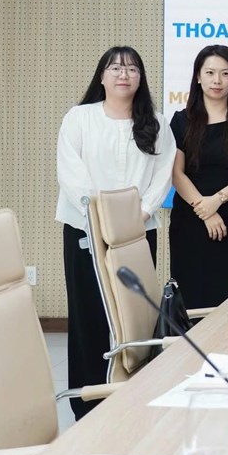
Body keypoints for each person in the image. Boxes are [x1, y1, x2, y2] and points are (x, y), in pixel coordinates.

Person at [56, 46, 174, 419]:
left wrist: (138, 215)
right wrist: (101, 218)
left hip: (137, 233)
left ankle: (132, 395)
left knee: (134, 316)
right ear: (102, 77)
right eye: (116, 68)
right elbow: (71, 172)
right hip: (85, 230)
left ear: (141, 78)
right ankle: (87, 403)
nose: (124, 74)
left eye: (132, 69)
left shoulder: (156, 123)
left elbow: (163, 175)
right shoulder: (80, 118)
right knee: (88, 316)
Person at [169, 45, 228, 309]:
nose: (217, 80)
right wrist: (206, 211)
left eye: (225, 73)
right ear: (198, 77)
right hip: (189, 219)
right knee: (191, 297)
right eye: (210, 72)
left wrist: (217, 200)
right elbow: (176, 173)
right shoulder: (181, 121)